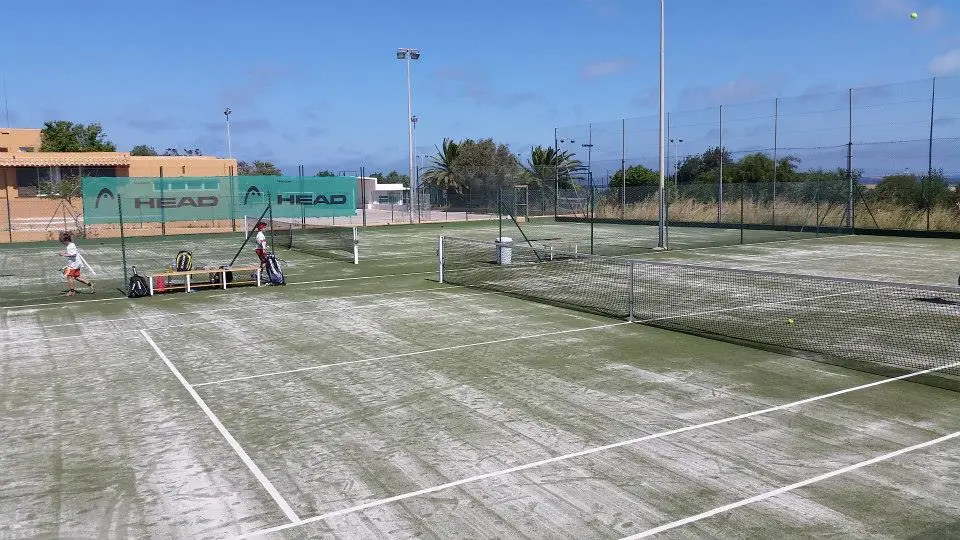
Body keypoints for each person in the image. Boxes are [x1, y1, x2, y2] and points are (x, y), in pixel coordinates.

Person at [58, 232, 93, 296]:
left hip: (74, 264)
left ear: (67, 240)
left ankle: (72, 291)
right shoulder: (71, 245)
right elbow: (73, 252)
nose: (62, 243)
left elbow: (73, 254)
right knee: (76, 277)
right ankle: (89, 283)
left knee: (69, 276)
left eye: (63, 241)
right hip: (76, 263)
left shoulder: (70, 246)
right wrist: (65, 252)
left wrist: (63, 254)